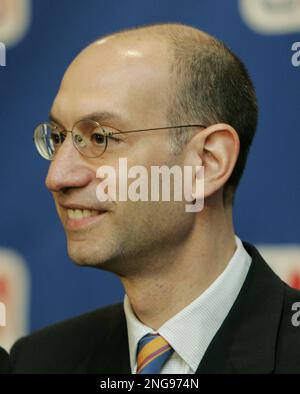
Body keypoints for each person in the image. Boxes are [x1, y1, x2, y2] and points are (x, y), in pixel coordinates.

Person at [10, 23, 300, 374]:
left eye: (100, 138)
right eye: (58, 137)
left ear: (208, 162)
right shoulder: (38, 362)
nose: (57, 177)